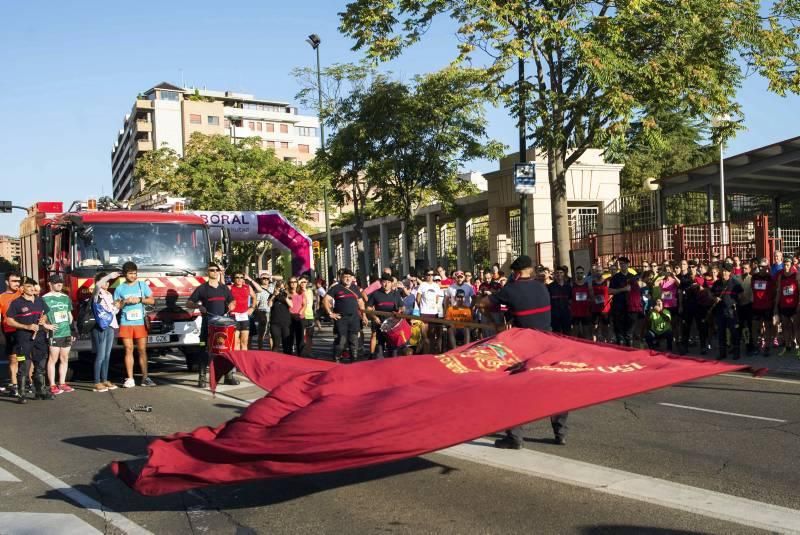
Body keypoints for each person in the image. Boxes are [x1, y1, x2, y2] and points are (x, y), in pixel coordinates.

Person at [481, 255, 567, 448]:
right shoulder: (542, 287)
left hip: (524, 346)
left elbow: (483, 303)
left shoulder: (511, 289)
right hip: (548, 342)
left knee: (514, 389)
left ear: (517, 273)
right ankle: (560, 433)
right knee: (554, 388)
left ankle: (515, 437)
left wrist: (495, 323)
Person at [5, 277, 56, 403]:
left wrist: (43, 320)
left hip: (39, 338)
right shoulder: (16, 303)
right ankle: (21, 394)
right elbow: (9, 320)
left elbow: (45, 313)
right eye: (29, 286)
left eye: (33, 286)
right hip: (23, 339)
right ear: (22, 289)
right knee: (24, 365)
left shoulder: (40, 300)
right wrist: (26, 326)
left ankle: (40, 391)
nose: (32, 288)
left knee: (40, 364)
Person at [186, 263, 236, 388]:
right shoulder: (202, 288)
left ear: (219, 272)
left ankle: (228, 376)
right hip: (207, 323)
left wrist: (232, 304)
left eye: (216, 270)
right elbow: (189, 303)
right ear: (208, 272)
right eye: (211, 270)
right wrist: (198, 306)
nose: (214, 272)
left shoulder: (224, 288)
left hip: (223, 324)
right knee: (203, 349)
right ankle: (202, 377)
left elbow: (232, 300)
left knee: (226, 350)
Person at [114, 262, 155, 388]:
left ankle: (145, 377)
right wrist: (125, 301)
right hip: (126, 323)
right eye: (130, 273)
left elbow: (152, 300)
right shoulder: (120, 288)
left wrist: (140, 299)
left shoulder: (142, 285)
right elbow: (116, 306)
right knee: (128, 349)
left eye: (135, 273)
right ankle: (130, 378)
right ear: (125, 274)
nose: (133, 276)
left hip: (140, 323)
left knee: (142, 350)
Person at [41, 275, 76, 395]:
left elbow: (69, 315)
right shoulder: (44, 298)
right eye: (56, 282)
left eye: (60, 282)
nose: (59, 284)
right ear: (50, 284)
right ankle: (52, 384)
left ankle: (62, 382)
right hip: (54, 334)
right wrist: (47, 326)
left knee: (65, 358)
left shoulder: (66, 298)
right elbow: (40, 317)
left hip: (66, 332)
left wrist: (72, 330)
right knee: (53, 359)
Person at [324, 269, 364, 363]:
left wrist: (364, 315)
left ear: (352, 278)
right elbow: (325, 300)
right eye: (345, 276)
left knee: (354, 341)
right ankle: (336, 360)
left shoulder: (355, 288)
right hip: (341, 319)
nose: (347, 278)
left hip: (354, 318)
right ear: (341, 278)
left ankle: (354, 362)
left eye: (349, 277)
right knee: (341, 341)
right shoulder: (336, 288)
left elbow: (361, 302)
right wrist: (330, 313)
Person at [91, 271, 120, 392]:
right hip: (100, 327)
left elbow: (112, 312)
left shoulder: (109, 294)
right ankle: (97, 381)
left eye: (108, 281)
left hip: (110, 326)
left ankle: (105, 379)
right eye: (104, 281)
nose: (107, 283)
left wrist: (117, 307)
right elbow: (98, 285)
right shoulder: (97, 294)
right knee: (101, 355)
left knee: (107, 355)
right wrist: (109, 276)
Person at [366, 273, 405, 358]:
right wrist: (374, 317)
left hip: (393, 327)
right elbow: (368, 309)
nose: (386, 284)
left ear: (391, 283)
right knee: (379, 353)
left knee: (393, 352)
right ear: (381, 282)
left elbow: (402, 307)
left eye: (388, 282)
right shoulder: (375, 294)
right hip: (380, 325)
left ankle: (393, 369)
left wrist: (400, 311)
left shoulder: (396, 294)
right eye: (384, 282)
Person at [711, 264, 744, 360]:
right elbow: (711, 294)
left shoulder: (735, 283)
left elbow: (742, 295)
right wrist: (714, 298)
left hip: (731, 311)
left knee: (734, 332)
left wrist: (736, 301)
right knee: (721, 333)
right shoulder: (717, 283)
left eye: (726, 271)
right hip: (720, 311)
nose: (724, 273)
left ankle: (736, 352)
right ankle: (722, 353)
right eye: (723, 271)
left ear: (730, 272)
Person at [0, 272, 22, 396]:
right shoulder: (1, 297)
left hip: (24, 332)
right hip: (9, 332)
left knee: (25, 358)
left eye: (18, 281)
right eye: (14, 281)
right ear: (7, 282)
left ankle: (27, 382)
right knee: (13, 359)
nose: (17, 283)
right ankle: (14, 384)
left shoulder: (23, 294)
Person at [750, 259, 776, 356]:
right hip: (756, 306)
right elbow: (752, 289)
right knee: (755, 326)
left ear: (767, 268)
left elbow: (774, 291)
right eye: (760, 266)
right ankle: (756, 346)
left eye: (763, 266)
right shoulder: (754, 277)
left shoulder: (770, 278)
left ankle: (767, 347)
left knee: (768, 327)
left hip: (767, 306)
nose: (761, 268)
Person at [775, 256, 800, 356]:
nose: (786, 267)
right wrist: (776, 306)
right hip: (784, 305)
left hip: (794, 305)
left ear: (791, 265)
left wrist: (799, 304)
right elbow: (779, 291)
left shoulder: (796, 275)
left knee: (796, 327)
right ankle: (787, 347)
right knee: (785, 327)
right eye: (784, 265)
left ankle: (798, 348)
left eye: (788, 265)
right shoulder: (781, 276)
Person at [609, 257, 636, 346]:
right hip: (618, 307)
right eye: (621, 264)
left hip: (630, 308)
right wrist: (623, 289)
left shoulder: (632, 277)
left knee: (629, 336)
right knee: (619, 336)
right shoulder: (615, 277)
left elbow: (637, 291)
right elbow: (610, 291)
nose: (622, 265)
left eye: (624, 263)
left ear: (628, 264)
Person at [417, 269, 444, 353]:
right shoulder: (422, 285)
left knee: (432, 335)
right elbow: (418, 299)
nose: (430, 276)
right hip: (424, 312)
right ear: (425, 275)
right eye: (428, 274)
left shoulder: (436, 286)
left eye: (432, 275)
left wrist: (433, 306)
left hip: (434, 312)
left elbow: (437, 298)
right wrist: (422, 308)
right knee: (425, 337)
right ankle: (425, 355)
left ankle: (431, 355)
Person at [229, 271, 256, 351]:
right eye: (237, 277)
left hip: (244, 316)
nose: (239, 279)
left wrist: (252, 308)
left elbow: (254, 297)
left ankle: (243, 361)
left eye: (241, 277)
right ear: (233, 279)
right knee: (235, 342)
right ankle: (236, 362)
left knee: (244, 342)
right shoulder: (230, 288)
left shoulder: (247, 287)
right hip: (234, 316)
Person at [268, 281, 293, 354]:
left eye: (282, 288)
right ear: (276, 288)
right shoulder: (272, 295)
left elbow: (291, 305)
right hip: (275, 323)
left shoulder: (287, 295)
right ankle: (274, 361)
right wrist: (274, 295)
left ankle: (287, 361)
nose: (280, 289)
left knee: (286, 344)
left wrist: (285, 296)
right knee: (276, 344)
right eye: (279, 287)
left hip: (286, 323)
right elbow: (269, 305)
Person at [250, 273, 274, 350]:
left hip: (273, 312)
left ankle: (273, 351)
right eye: (264, 278)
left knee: (272, 333)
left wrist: (271, 276)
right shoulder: (258, 290)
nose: (266, 280)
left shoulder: (272, 287)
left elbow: (281, 278)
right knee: (262, 333)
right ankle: (260, 350)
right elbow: (256, 304)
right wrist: (259, 314)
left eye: (267, 279)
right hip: (263, 312)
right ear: (260, 279)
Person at [570, 266, 592, 339]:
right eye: (578, 273)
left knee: (586, 334)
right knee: (575, 333)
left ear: (583, 274)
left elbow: (591, 297)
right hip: (575, 312)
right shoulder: (572, 285)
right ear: (576, 274)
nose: (579, 274)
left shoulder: (588, 285)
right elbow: (569, 298)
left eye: (581, 273)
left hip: (585, 311)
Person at [549, 266, 572, 334]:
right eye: (557, 273)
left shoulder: (568, 286)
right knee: (556, 334)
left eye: (561, 272)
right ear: (555, 274)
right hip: (554, 315)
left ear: (564, 274)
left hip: (566, 314)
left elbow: (571, 300)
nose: (559, 274)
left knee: (567, 333)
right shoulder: (550, 286)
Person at [287, 277, 306, 355]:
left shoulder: (301, 292)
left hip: (299, 317)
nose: (293, 283)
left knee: (300, 338)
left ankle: (300, 355)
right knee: (289, 337)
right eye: (291, 282)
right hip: (289, 317)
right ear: (289, 283)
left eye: (295, 282)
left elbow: (304, 305)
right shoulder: (287, 293)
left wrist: (300, 313)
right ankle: (289, 355)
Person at [300, 277, 316, 356]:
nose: (303, 284)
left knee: (310, 336)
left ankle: (309, 352)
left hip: (310, 315)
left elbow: (311, 302)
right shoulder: (298, 292)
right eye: (301, 282)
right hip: (302, 315)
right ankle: (302, 351)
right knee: (302, 336)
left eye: (305, 282)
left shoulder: (310, 291)